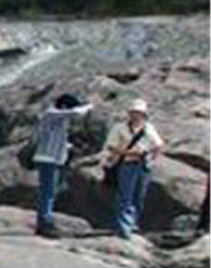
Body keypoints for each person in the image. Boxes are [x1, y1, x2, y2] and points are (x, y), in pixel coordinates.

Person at [101, 99, 166, 240]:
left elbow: (158, 144)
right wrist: (128, 153)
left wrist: (151, 157)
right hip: (127, 164)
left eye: (139, 113)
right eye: (133, 112)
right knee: (125, 196)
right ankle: (124, 227)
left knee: (139, 196)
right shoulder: (119, 128)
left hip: (143, 165)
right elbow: (111, 146)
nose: (136, 115)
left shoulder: (148, 128)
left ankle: (133, 224)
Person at [31, 93, 92, 237]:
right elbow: (75, 113)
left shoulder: (59, 119)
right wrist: (89, 106)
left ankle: (47, 220)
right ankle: (44, 223)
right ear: (64, 106)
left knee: (50, 191)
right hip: (47, 158)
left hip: (55, 159)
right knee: (47, 192)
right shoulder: (51, 113)